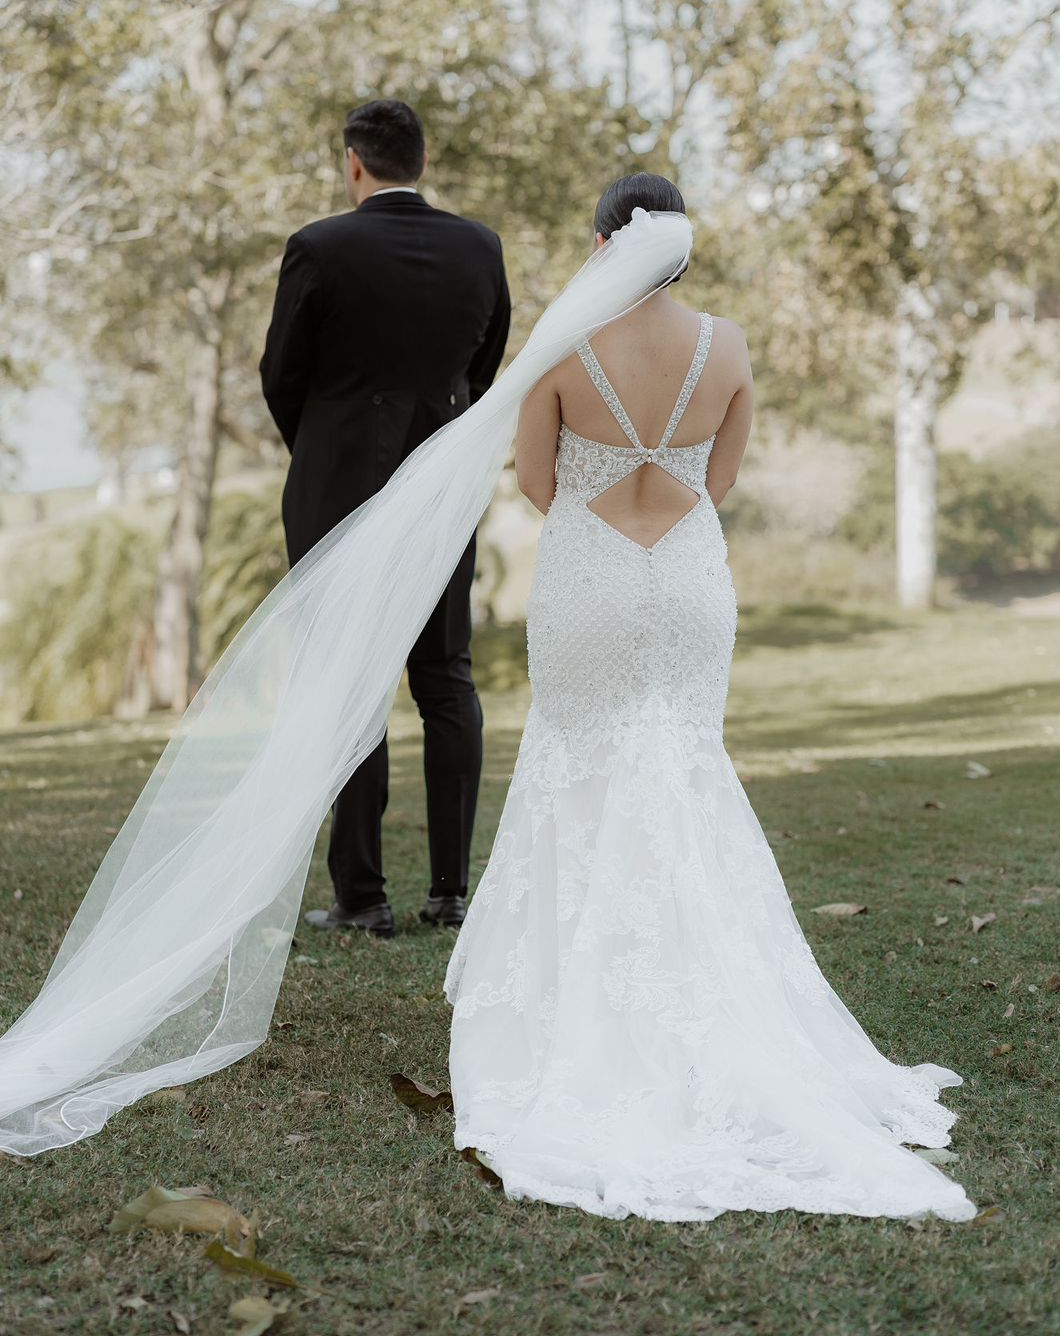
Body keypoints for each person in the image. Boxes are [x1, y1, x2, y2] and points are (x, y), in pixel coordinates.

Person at [444, 173, 977, 1224]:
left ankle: (581, 1004)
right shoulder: (726, 346)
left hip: (591, 575)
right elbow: (717, 481)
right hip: (688, 579)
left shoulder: (563, 344)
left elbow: (538, 483)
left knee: (577, 765)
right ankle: (708, 997)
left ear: (605, 241)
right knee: (682, 767)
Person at [260, 99, 510, 937]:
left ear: (353, 163)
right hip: (441, 489)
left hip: (338, 491)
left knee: (348, 682)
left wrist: (323, 448)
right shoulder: (480, 247)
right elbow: (483, 368)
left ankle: (363, 898)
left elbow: (281, 373)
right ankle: (450, 892)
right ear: (422, 161)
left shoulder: (318, 247)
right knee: (445, 678)